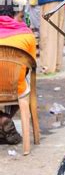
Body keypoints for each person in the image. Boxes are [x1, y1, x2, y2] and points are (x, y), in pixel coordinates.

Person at [0, 9, 37, 144]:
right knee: (23, 84)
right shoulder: (27, 35)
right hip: (16, 87)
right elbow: (32, 65)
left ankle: (2, 118)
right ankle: (5, 119)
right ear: (14, 17)